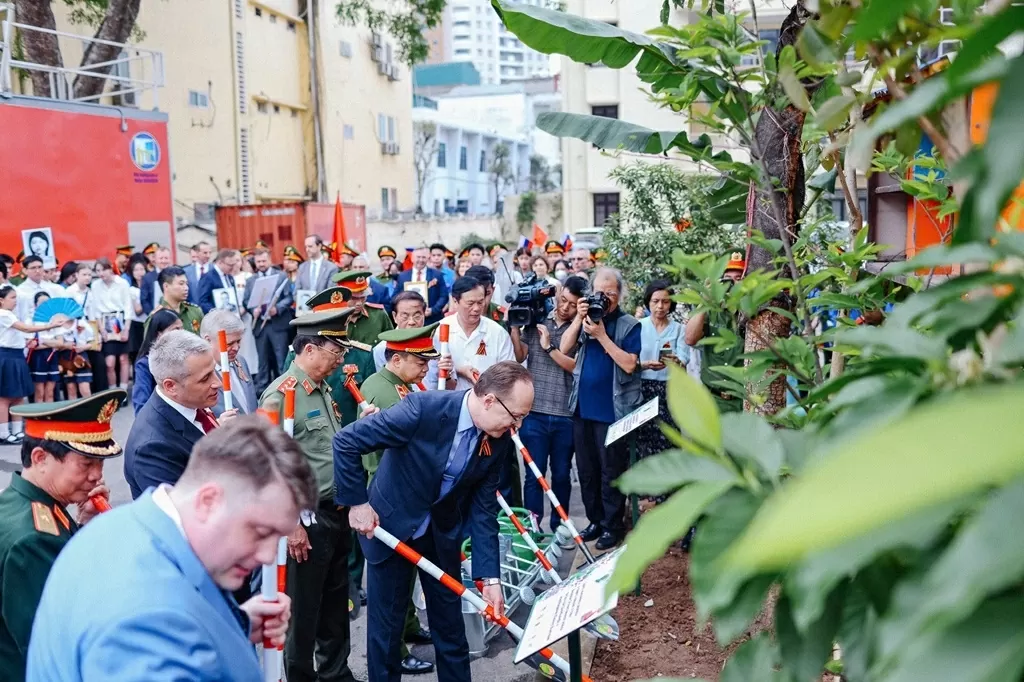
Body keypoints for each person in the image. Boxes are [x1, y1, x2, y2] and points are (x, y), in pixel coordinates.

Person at [27, 417, 312, 680]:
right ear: (208, 501)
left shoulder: (127, 526)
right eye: (260, 532)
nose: (266, 555)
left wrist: (234, 625)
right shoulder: (147, 621)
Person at [335, 361, 534, 682]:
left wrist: (490, 579)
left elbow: (484, 511)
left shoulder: (498, 438)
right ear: (489, 401)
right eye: (516, 416)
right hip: (390, 527)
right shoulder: (421, 409)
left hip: (440, 534)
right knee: (387, 633)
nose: (518, 426)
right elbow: (346, 441)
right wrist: (357, 503)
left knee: (451, 629)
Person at [260, 309, 367, 682]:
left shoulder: (322, 388)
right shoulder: (280, 396)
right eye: (335, 351)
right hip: (306, 518)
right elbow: (267, 469)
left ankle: (336, 674)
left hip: (335, 512)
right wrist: (290, 524)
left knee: (336, 605)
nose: (341, 359)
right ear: (309, 350)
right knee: (303, 613)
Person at [0, 390, 122, 679]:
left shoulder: (21, 503)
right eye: (86, 463)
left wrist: (85, 525)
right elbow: (54, 643)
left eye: (100, 463)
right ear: (40, 458)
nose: (97, 475)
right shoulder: (33, 538)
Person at [357, 323, 439, 675]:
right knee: (391, 588)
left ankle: (408, 628)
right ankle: (396, 651)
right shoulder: (383, 391)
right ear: (397, 359)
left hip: (403, 494)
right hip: (390, 497)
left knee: (406, 576)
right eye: (420, 362)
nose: (425, 369)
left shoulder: (400, 385)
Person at [559, 267, 642, 550]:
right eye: (599, 292)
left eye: (610, 293)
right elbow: (565, 347)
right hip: (582, 408)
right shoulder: (586, 319)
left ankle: (612, 526)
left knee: (611, 471)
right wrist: (579, 317)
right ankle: (594, 520)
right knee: (587, 471)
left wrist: (602, 335)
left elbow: (629, 364)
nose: (604, 298)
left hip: (612, 410)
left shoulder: (629, 325)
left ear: (620, 295)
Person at [510, 275, 585, 530]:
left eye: (572, 304)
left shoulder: (581, 328)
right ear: (558, 293)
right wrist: (514, 327)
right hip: (535, 412)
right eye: (563, 300)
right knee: (534, 475)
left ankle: (560, 526)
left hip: (566, 413)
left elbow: (575, 366)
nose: (565, 307)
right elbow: (520, 355)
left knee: (562, 475)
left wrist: (548, 346)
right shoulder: (538, 317)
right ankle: (533, 528)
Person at [123, 330, 234, 499]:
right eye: (205, 379)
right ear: (171, 386)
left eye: (214, 372)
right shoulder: (152, 449)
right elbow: (183, 512)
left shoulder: (189, 403)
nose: (217, 383)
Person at [0, 286, 64, 444]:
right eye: (12, 297)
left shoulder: (10, 315)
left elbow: (18, 335)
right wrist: (51, 326)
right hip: (7, 356)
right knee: (5, 397)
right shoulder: (3, 314)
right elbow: (26, 328)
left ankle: (17, 431)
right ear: (1, 300)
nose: (15, 301)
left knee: (18, 396)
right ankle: (3, 433)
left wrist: (26, 343)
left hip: (16, 355)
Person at [685, 251, 747, 413]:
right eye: (727, 279)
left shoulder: (753, 313)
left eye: (738, 279)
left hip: (744, 400)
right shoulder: (710, 311)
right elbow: (690, 338)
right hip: (713, 399)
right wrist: (705, 300)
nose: (732, 284)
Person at [637, 280, 691, 460]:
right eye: (655, 301)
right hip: (642, 389)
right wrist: (645, 364)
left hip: (669, 390)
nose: (660, 306)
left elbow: (683, 359)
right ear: (648, 302)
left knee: (669, 440)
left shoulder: (679, 329)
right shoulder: (638, 326)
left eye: (665, 302)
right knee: (643, 441)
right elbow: (630, 359)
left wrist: (676, 362)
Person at [433, 276, 515, 392]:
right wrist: (456, 370)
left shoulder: (497, 333)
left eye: (480, 302)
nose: (476, 308)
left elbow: (509, 373)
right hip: (449, 399)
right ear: (455, 301)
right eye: (470, 303)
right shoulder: (439, 330)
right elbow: (430, 375)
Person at [244, 248, 294, 393]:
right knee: (262, 361)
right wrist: (252, 310)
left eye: (264, 261)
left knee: (281, 359)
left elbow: (289, 297)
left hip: (277, 323)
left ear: (270, 260)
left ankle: (285, 389)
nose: (261, 264)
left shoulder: (281, 276)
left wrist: (277, 309)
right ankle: (263, 392)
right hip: (260, 325)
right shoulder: (250, 280)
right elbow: (246, 301)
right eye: (258, 261)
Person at [372, 291, 441, 390]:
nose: (411, 322)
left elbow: (450, 385)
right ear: (394, 316)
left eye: (417, 316)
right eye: (405, 316)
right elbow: (383, 386)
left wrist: (447, 375)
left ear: (424, 314)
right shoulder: (382, 349)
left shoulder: (437, 341)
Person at [90, 258, 134, 395]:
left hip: (120, 320)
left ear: (110, 269)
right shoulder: (95, 285)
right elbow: (96, 309)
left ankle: (123, 391)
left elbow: (128, 306)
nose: (101, 273)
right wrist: (101, 329)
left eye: (103, 270)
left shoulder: (122, 283)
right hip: (105, 321)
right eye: (98, 271)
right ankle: (113, 392)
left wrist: (126, 329)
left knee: (123, 359)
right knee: (109, 362)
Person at [201, 310, 257, 417]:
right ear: (208, 340)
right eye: (229, 343)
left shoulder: (241, 361)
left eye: (238, 341)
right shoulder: (200, 374)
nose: (236, 348)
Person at [131, 309, 182, 414]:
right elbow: (141, 405)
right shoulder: (145, 364)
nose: (181, 334)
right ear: (159, 334)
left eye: (182, 329)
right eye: (176, 329)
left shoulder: (184, 358)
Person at [333, 270, 394, 347]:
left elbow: (391, 344)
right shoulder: (332, 319)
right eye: (353, 298)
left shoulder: (379, 315)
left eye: (362, 297)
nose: (359, 303)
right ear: (341, 297)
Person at [145, 265, 204, 336]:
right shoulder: (155, 317)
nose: (186, 288)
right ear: (166, 286)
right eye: (181, 284)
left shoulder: (195, 311)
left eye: (187, 284)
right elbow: (150, 342)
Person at [395, 246, 449, 324]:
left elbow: (444, 296)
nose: (421, 260)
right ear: (412, 258)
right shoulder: (402, 276)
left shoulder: (437, 274)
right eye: (418, 257)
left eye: (423, 257)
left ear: (428, 258)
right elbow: (396, 296)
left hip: (432, 319)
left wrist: (433, 310)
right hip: (409, 321)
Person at [28, 292, 61, 404]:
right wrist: (52, 343)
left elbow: (60, 343)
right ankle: (39, 414)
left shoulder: (55, 320)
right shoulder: (31, 321)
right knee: (39, 392)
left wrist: (42, 341)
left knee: (50, 391)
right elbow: (31, 345)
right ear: (35, 305)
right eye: (42, 302)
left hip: (53, 355)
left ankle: (50, 414)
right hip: (38, 358)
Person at [14, 255, 63, 323]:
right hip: (29, 327)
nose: (37, 271)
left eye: (40, 267)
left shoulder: (55, 288)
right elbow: (17, 315)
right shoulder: (19, 291)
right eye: (33, 268)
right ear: (25, 270)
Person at [197, 249, 240, 314]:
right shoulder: (208, 277)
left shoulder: (230, 277)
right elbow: (203, 301)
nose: (233, 268)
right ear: (220, 262)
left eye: (234, 264)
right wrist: (215, 312)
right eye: (230, 265)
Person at [465, 265, 508, 330]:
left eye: (487, 294)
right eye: (477, 294)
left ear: (493, 290)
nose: (483, 301)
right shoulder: (452, 319)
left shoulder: (502, 315)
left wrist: (514, 328)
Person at [139, 246, 172, 315]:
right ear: (155, 259)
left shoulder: (175, 276)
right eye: (161, 258)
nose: (163, 261)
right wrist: (151, 314)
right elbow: (144, 300)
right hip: (154, 316)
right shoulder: (147, 278)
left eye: (166, 258)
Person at [185, 240, 213, 305]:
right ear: (197, 253)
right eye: (205, 253)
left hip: (211, 309)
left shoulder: (214, 269)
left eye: (210, 253)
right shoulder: (187, 272)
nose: (208, 256)